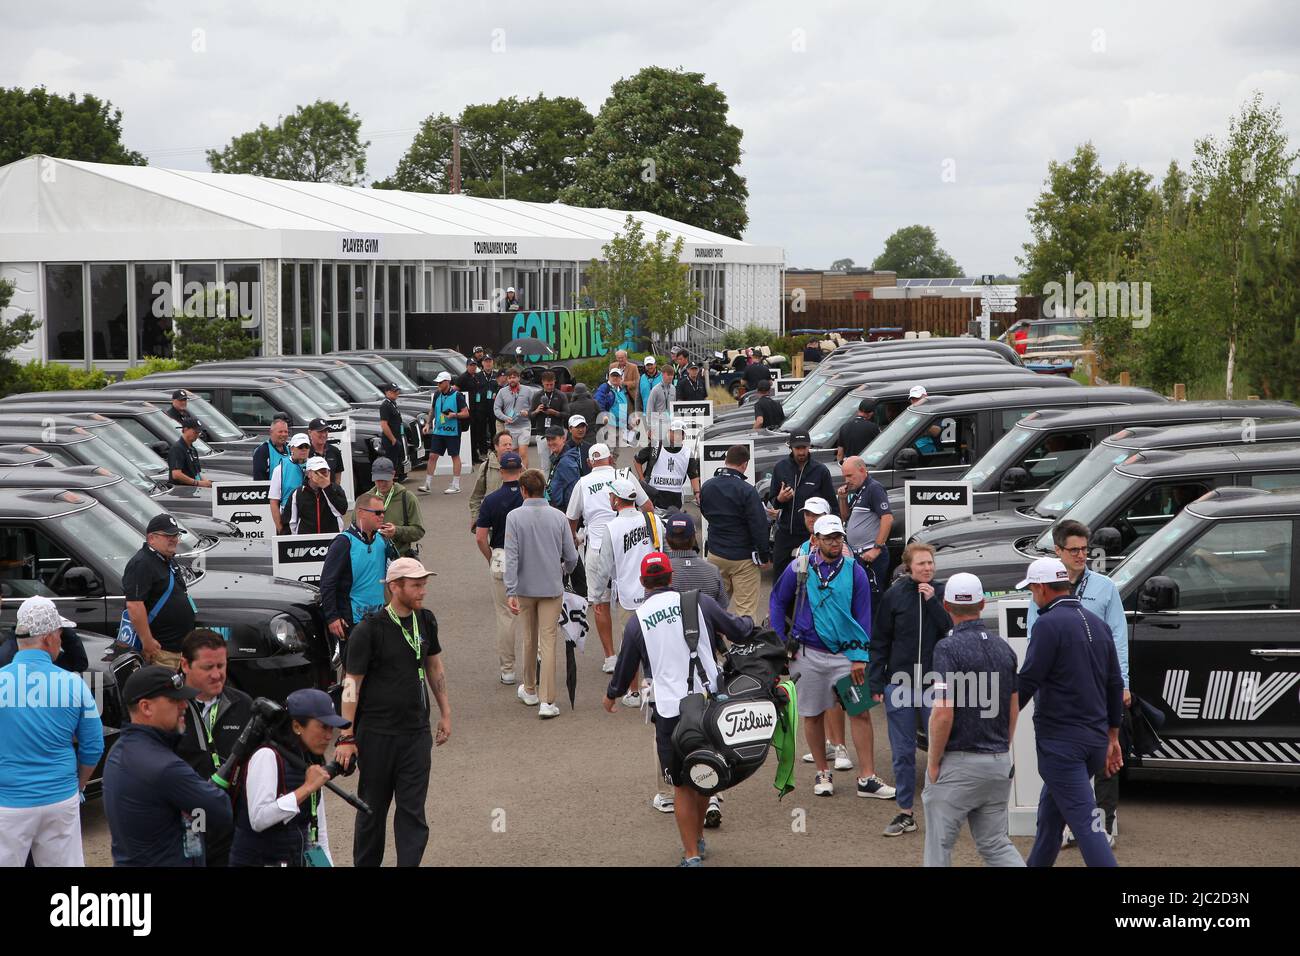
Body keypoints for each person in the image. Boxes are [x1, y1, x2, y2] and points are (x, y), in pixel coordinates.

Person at [604, 553, 754, 866]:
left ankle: (691, 854)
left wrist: (612, 695)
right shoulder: (699, 602)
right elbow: (737, 630)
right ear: (671, 577)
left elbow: (625, 666)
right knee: (707, 773)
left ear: (644, 583)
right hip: (710, 702)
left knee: (682, 786)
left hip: (670, 711)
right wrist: (751, 622)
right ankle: (698, 838)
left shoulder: (638, 621)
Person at [769, 515, 895, 800]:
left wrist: (860, 656)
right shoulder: (799, 567)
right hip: (807, 653)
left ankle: (867, 777)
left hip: (845, 656)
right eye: (828, 538)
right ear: (815, 540)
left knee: (859, 713)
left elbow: (864, 615)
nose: (835, 542)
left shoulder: (855, 570)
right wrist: (779, 640)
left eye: (838, 537)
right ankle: (822, 772)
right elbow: (777, 600)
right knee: (812, 715)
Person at [336, 558, 450, 867]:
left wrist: (445, 713)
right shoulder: (368, 630)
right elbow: (351, 684)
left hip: (415, 733)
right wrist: (346, 735)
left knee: (413, 813)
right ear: (393, 587)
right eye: (415, 585)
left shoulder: (426, 620)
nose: (422, 591)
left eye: (424, 583)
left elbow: (434, 665)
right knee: (371, 812)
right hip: (376, 735)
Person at [1026, 519, 1130, 848]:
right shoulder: (1042, 587)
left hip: (1098, 684)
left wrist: (1123, 682)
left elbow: (1118, 639)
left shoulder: (1104, 587)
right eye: (1074, 550)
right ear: (1058, 551)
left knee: (1104, 757)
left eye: (1085, 549)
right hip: (1061, 688)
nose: (1081, 555)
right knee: (1067, 762)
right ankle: (1067, 824)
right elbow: (1034, 635)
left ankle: (1105, 821)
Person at [922, 572, 1024, 867]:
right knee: (996, 845)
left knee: (939, 848)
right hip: (997, 762)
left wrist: (932, 763)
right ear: (982, 603)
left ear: (945, 605)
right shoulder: (1003, 648)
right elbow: (1013, 706)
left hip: (959, 764)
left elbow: (943, 712)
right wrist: (1002, 746)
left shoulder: (947, 648)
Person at [0, 596, 103, 867]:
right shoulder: (73, 684)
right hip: (60, 798)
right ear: (47, 638)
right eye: (59, 633)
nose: (61, 639)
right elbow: (94, 745)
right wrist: (78, 785)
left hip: (7, 803)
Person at [103, 665, 234, 866]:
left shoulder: (120, 750)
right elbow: (221, 810)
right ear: (146, 707)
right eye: (174, 700)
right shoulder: (165, 766)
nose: (184, 705)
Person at [869, 542, 952, 837]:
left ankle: (944, 811)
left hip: (934, 685)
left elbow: (951, 631)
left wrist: (933, 603)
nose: (927, 568)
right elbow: (880, 640)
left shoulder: (943, 593)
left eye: (930, 563)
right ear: (908, 567)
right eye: (921, 564)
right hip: (900, 685)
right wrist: (875, 681)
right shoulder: (894, 596)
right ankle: (906, 812)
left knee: (941, 750)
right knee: (903, 752)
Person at [229, 688, 348, 867]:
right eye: (323, 726)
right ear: (296, 726)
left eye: (331, 727)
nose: (329, 735)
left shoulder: (310, 760)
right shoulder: (267, 756)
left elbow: (318, 835)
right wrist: (306, 788)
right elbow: (258, 819)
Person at [566, 443, 651, 672]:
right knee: (634, 596)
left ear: (589, 462)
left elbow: (571, 519)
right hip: (627, 542)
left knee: (599, 602)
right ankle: (639, 649)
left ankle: (610, 657)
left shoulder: (582, 483)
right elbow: (648, 507)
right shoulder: (623, 476)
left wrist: (575, 539)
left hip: (596, 546)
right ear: (610, 459)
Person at [586, 477, 669, 707]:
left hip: (627, 594)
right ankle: (657, 686)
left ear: (616, 500)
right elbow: (664, 551)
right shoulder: (653, 520)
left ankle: (634, 692)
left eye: (611, 496)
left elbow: (604, 567)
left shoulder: (611, 528)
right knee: (658, 640)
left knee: (630, 644)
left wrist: (597, 595)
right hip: (656, 590)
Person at [175, 628, 253, 868]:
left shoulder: (243, 703)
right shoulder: (169, 707)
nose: (218, 675)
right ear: (185, 665)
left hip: (231, 822)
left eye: (221, 665)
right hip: (187, 822)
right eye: (208, 668)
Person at [505, 469, 578, 719]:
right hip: (551, 587)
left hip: (525, 588)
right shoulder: (558, 517)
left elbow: (511, 556)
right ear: (544, 488)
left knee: (528, 638)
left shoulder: (514, 517)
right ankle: (547, 701)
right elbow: (572, 556)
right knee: (548, 642)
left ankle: (530, 689)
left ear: (524, 491)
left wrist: (510, 589)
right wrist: (563, 571)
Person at [788, 497, 853, 771]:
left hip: (837, 638)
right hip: (809, 636)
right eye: (808, 516)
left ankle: (840, 747)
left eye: (816, 516)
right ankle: (828, 745)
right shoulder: (804, 548)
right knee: (816, 700)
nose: (810, 520)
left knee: (837, 697)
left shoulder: (843, 552)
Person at [698, 444, 770, 620]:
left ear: (725, 461)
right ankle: (744, 646)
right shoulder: (747, 490)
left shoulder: (707, 486)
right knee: (745, 610)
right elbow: (759, 525)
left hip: (715, 553)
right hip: (743, 558)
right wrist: (764, 555)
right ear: (744, 464)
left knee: (714, 607)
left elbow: (705, 511)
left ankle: (712, 644)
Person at [320, 493, 399, 646]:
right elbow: (327, 583)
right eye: (377, 513)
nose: (381, 516)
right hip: (352, 619)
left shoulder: (382, 539)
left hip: (380, 615)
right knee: (354, 668)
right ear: (361, 513)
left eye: (383, 512)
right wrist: (332, 617)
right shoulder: (344, 542)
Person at [122, 513, 195, 667]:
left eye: (176, 534)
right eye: (168, 535)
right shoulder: (141, 563)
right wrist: (147, 641)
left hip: (178, 650)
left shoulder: (166, 559)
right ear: (151, 538)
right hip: (161, 652)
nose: (174, 539)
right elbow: (134, 605)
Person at [476, 451, 524, 685]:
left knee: (505, 616)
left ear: (502, 471)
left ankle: (508, 669)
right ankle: (535, 659)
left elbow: (480, 537)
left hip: (501, 554)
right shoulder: (531, 496)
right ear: (522, 470)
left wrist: (491, 557)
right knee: (532, 614)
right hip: (528, 557)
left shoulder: (491, 500)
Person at [766, 430, 837, 580]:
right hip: (785, 533)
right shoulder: (780, 468)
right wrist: (780, 499)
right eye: (798, 448)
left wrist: (831, 534)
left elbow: (832, 505)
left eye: (804, 447)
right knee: (781, 580)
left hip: (810, 536)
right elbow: (773, 501)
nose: (802, 452)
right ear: (791, 447)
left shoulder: (820, 471)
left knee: (809, 579)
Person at [839, 456, 893, 599]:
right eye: (845, 476)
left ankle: (874, 622)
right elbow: (845, 517)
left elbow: (887, 518)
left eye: (850, 475)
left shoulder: (873, 488)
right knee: (860, 598)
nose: (847, 480)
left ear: (862, 470)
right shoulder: (859, 490)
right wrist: (843, 499)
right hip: (858, 555)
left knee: (872, 599)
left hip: (870, 556)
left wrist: (877, 548)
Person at [363, 456, 425, 558]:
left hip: (399, 558)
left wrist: (396, 531)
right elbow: (355, 529)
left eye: (385, 480)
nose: (382, 484)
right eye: (378, 480)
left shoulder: (407, 498)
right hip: (372, 559)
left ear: (393, 474)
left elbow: (419, 531)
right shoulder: (365, 499)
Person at [632, 419, 700, 512]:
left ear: (684, 436)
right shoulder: (656, 446)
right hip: (654, 498)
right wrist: (642, 479)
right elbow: (637, 460)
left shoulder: (687, 453)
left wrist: (697, 492)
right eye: (675, 432)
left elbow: (693, 475)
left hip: (675, 500)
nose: (677, 435)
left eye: (680, 433)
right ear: (669, 432)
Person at [421, 371, 470, 495]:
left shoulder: (457, 396)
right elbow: (432, 410)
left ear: (447, 382)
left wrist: (455, 415)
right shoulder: (437, 394)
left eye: (440, 382)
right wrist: (428, 424)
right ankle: (427, 484)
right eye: (437, 382)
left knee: (454, 456)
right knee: (432, 456)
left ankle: (456, 485)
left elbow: (466, 413)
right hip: (438, 431)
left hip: (452, 432)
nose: (438, 384)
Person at [663, 512, 727, 607]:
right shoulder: (713, 571)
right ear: (693, 538)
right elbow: (722, 607)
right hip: (707, 621)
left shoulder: (661, 572)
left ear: (667, 539)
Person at [289, 457, 348, 535]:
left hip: (331, 538)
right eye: (318, 472)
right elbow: (292, 521)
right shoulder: (298, 493)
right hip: (306, 541)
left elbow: (341, 511)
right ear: (308, 474)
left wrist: (327, 488)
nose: (322, 476)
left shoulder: (336, 489)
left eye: (325, 472)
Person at [468, 430, 513, 530]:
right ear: (496, 447)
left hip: (514, 523)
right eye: (505, 444)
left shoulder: (518, 466)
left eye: (510, 444)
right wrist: (476, 518)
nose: (508, 447)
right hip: (493, 523)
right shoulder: (485, 467)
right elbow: (476, 496)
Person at [269, 432, 310, 534]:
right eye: (300, 446)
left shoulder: (314, 466)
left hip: (309, 518)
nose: (304, 449)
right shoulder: (280, 469)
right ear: (292, 449)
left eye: (306, 446)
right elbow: (274, 501)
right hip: (288, 518)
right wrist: (280, 528)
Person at [494, 367, 535, 467]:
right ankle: (515, 476)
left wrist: (528, 412)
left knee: (522, 453)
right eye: (510, 378)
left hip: (524, 426)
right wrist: (505, 417)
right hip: (510, 427)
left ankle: (524, 477)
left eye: (514, 377)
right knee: (513, 454)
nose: (512, 380)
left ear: (519, 378)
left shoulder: (528, 391)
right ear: (507, 379)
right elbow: (496, 408)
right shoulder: (502, 392)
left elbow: (535, 407)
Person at [458, 357, 489, 463]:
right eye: (471, 365)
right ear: (467, 366)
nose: (473, 367)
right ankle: (470, 456)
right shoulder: (463, 377)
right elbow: (455, 390)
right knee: (470, 434)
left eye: (474, 365)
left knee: (477, 433)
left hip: (477, 410)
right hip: (467, 410)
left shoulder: (477, 376)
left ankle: (476, 456)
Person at [546, 426, 582, 510]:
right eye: (548, 440)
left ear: (563, 438)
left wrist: (569, 515)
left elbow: (572, 491)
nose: (550, 443)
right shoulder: (557, 457)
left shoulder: (566, 462)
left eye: (553, 439)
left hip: (563, 510)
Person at [169, 416, 211, 488]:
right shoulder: (177, 448)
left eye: (199, 432)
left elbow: (197, 473)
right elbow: (176, 474)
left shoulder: (193, 449)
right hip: (181, 492)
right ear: (185, 429)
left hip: (193, 490)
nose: (197, 435)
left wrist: (205, 482)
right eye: (195, 432)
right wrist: (198, 483)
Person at [593, 365, 630, 446]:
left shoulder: (621, 390)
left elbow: (623, 409)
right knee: (608, 451)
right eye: (613, 375)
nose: (615, 378)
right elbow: (598, 402)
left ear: (621, 378)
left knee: (616, 452)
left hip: (620, 426)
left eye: (617, 376)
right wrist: (604, 416)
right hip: (609, 426)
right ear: (608, 377)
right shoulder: (604, 388)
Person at [530, 369, 569, 443]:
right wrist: (536, 411)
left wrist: (555, 413)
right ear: (542, 382)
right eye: (547, 385)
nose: (549, 387)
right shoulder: (537, 396)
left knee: (558, 454)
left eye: (551, 384)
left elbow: (567, 414)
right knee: (543, 455)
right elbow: (530, 415)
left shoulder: (561, 395)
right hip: (542, 433)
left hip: (557, 433)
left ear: (555, 381)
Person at [378, 381, 406, 480]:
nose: (396, 393)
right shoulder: (385, 405)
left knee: (395, 465)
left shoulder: (393, 404)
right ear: (387, 392)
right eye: (394, 391)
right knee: (390, 465)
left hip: (396, 439)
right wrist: (393, 439)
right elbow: (384, 424)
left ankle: (393, 483)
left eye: (397, 391)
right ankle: (389, 484)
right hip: (390, 441)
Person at [644, 362, 677, 445]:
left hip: (670, 424)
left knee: (670, 447)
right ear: (662, 375)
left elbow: (674, 406)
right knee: (657, 448)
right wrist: (650, 427)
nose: (670, 377)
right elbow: (649, 408)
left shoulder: (673, 389)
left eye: (672, 375)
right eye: (668, 374)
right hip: (657, 424)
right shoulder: (655, 389)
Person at [306, 418, 346, 486]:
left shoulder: (335, 451)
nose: (324, 435)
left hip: (330, 494)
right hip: (311, 495)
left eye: (326, 431)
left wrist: (335, 493)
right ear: (310, 432)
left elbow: (338, 478)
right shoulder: (305, 452)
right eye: (320, 431)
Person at [252, 415, 292, 481]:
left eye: (286, 432)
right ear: (271, 432)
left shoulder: (291, 448)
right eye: (280, 432)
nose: (284, 434)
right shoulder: (262, 451)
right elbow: (259, 479)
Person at [908, 385, 942, 454]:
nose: (915, 401)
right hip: (913, 451)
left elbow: (936, 432)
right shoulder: (909, 413)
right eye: (913, 399)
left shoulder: (934, 411)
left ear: (925, 397)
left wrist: (919, 420)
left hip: (931, 453)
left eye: (917, 398)